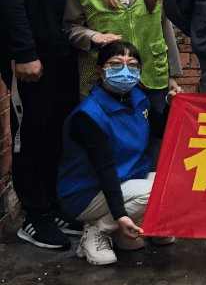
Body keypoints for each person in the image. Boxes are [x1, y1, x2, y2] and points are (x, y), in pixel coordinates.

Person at [0, 0, 91, 249]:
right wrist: (23, 52)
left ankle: (56, 205)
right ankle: (34, 215)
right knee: (32, 135)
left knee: (61, 130)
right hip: (31, 55)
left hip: (70, 49)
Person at [57, 41, 169, 266]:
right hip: (85, 193)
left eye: (133, 65)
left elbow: (161, 129)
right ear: (100, 70)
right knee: (155, 191)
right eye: (116, 64)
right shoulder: (89, 115)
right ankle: (97, 232)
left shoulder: (138, 98)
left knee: (175, 183)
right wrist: (119, 215)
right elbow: (104, 168)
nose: (126, 71)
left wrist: (171, 104)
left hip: (124, 180)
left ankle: (117, 231)